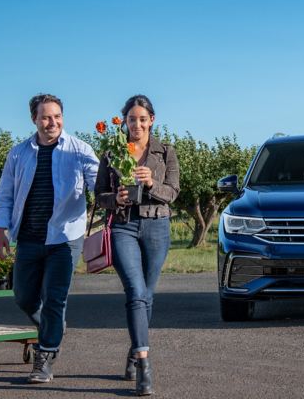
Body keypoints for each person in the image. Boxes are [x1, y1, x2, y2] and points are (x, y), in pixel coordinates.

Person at [0, 93, 99, 383]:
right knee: (23, 296)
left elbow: (99, 183)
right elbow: (4, 194)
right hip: (28, 236)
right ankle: (53, 327)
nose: (52, 122)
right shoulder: (18, 153)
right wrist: (0, 229)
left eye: (57, 116)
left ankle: (45, 356)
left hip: (66, 237)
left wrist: (113, 188)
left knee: (55, 298)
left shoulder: (79, 150)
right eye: (45, 117)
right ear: (34, 119)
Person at [95, 94, 179, 396]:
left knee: (147, 294)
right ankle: (145, 364)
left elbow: (173, 192)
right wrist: (112, 198)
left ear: (151, 120)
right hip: (123, 226)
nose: (137, 124)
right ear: (125, 122)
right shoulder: (111, 152)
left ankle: (133, 350)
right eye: (132, 119)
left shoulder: (165, 152)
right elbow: (98, 195)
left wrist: (150, 184)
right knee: (135, 291)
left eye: (143, 119)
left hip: (157, 226)